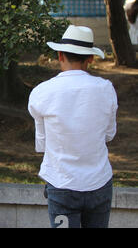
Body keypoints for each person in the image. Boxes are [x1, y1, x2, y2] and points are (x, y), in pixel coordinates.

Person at [28, 25, 118, 228]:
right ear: (91, 58)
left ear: (60, 55)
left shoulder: (42, 92)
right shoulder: (106, 89)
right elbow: (109, 134)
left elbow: (42, 144)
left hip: (62, 183)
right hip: (99, 182)